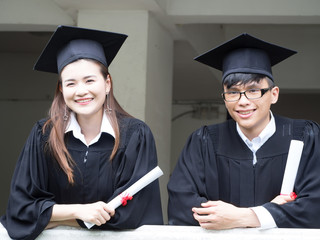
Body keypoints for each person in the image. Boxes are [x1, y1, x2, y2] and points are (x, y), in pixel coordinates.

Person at [1, 25, 163, 240]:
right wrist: (78, 211)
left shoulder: (135, 136)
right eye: (71, 83)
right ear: (61, 89)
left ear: (107, 83)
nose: (81, 91)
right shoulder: (44, 134)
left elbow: (131, 214)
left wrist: (51, 217)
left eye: (89, 80)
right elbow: (20, 210)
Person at [167, 33, 320, 229]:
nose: (243, 101)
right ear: (224, 97)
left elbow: (314, 207)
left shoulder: (305, 137)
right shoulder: (204, 142)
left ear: (274, 94)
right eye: (232, 92)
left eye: (254, 91)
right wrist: (270, 212)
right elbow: (181, 206)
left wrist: (245, 217)